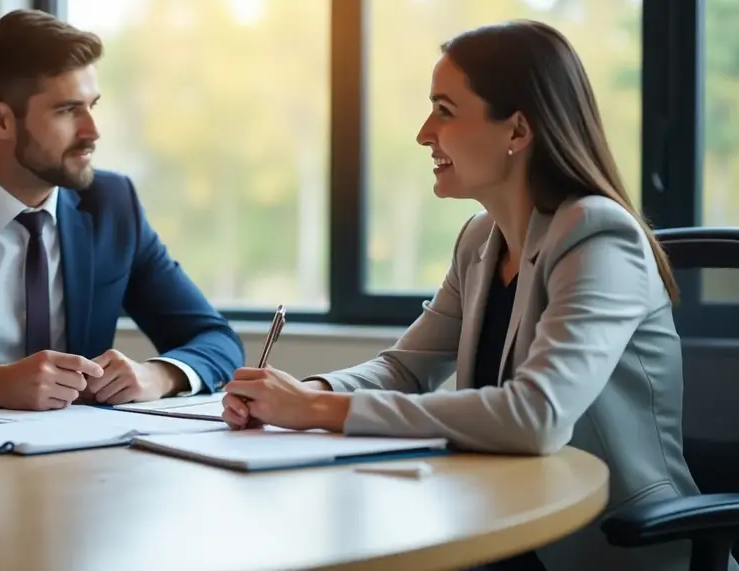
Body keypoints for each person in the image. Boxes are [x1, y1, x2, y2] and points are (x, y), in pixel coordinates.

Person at [221, 20, 730, 571]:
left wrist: (318, 409)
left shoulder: (599, 237)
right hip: (501, 529)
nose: (423, 133)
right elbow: (404, 369)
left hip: (611, 550)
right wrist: (298, 391)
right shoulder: (480, 239)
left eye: (444, 110)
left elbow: (536, 416)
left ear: (516, 131)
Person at [0, 9, 244, 411]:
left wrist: (158, 375)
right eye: (67, 110)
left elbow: (216, 339)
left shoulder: (112, 204)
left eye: (93, 105)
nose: (92, 131)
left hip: (76, 458)